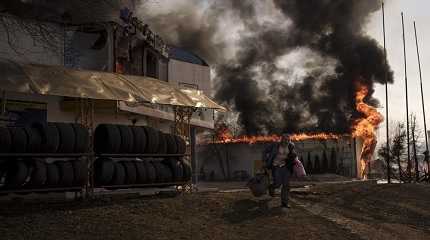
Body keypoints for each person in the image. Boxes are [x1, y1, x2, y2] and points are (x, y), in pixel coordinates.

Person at [262, 135, 297, 209]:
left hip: (286, 167)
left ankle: (285, 203)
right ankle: (272, 187)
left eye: (288, 140)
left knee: (286, 185)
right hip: (276, 166)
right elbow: (264, 151)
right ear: (281, 140)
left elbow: (293, 154)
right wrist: (264, 161)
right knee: (278, 183)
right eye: (285, 140)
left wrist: (294, 157)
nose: (287, 141)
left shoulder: (291, 146)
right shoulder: (275, 145)